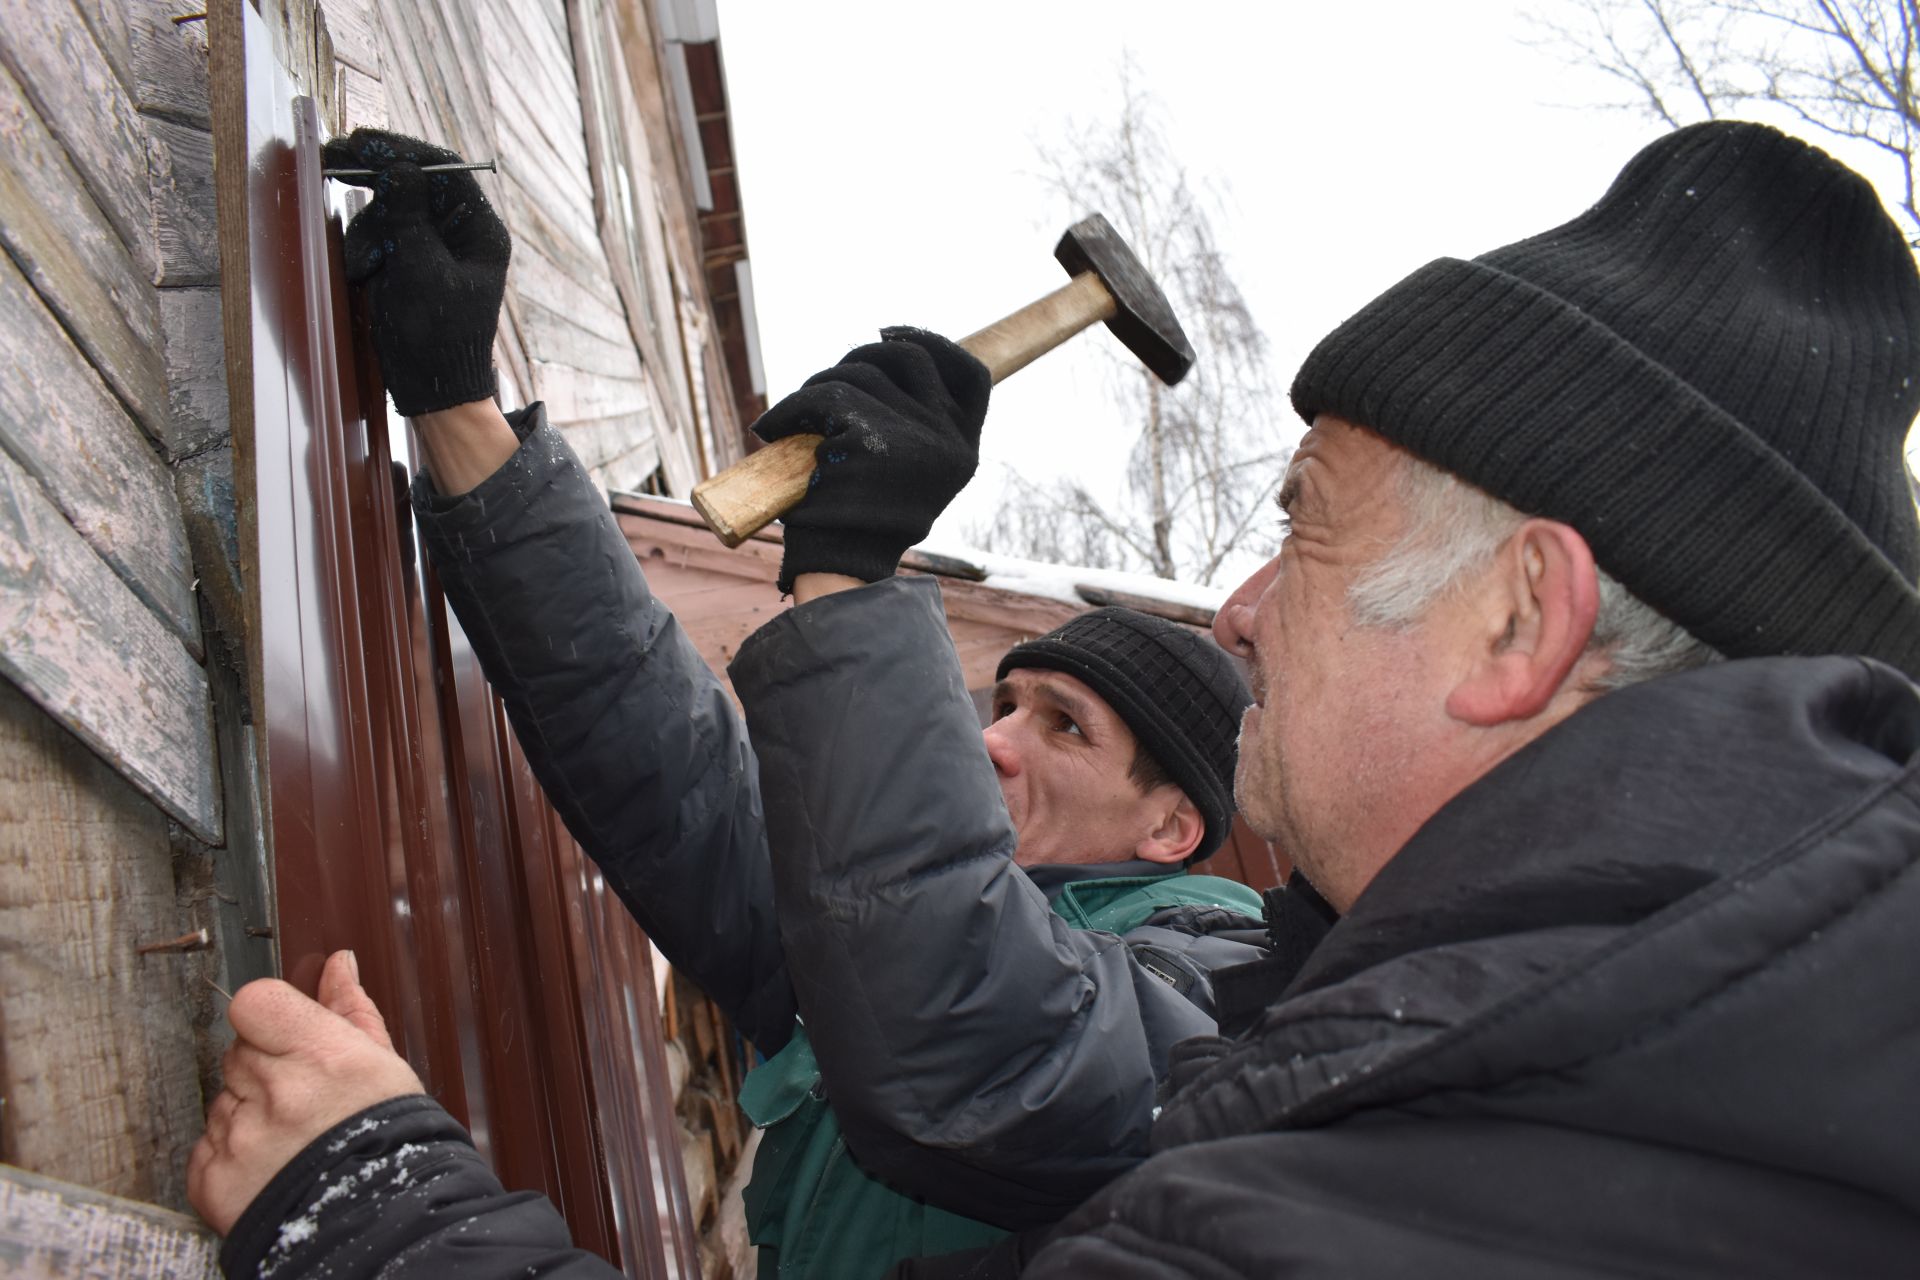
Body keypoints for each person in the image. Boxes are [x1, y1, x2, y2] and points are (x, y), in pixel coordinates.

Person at [185, 130, 1271, 1278]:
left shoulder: (1224, 993)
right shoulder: (872, 934)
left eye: (1066, 727)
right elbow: (660, 747)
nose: (993, 742)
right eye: (1007, 701)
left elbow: (982, 1034)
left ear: (1171, 830)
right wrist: (459, 404)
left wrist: (849, 566)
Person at [929, 118, 1920, 1276]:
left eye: (1305, 519)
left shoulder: (1319, 1217)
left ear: (1516, 620)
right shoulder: (1479, 1085)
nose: (1239, 614)